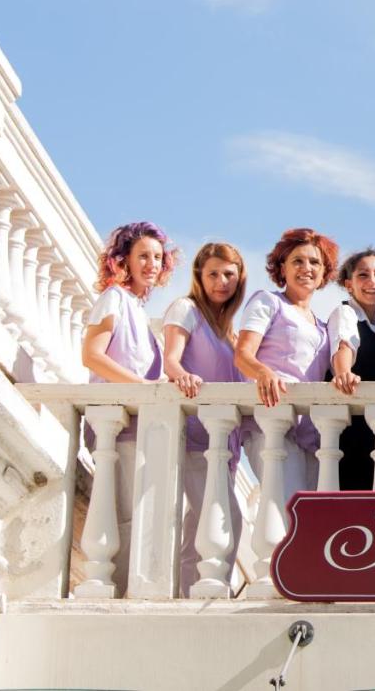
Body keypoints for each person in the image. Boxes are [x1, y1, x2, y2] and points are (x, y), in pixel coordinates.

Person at [80, 221, 178, 595]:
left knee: (139, 516)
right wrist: (143, 388)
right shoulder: (114, 299)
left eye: (157, 257)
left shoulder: (138, 309)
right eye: (143, 256)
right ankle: (116, 591)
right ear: (124, 260)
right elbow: (92, 355)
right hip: (117, 427)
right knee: (123, 515)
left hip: (140, 428)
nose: (152, 264)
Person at [162, 241, 247, 596]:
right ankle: (213, 595)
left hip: (226, 448)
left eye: (229, 274)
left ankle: (187, 596)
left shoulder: (229, 331)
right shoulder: (186, 309)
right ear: (199, 276)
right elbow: (171, 359)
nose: (221, 282)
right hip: (197, 438)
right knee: (226, 519)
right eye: (213, 274)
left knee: (198, 526)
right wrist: (183, 376)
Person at [234, 228, 339, 501]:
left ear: (324, 271)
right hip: (271, 425)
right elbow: (242, 354)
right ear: (283, 268)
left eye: (314, 262)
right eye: (297, 261)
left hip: (310, 436)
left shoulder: (323, 326)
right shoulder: (268, 302)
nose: (306, 268)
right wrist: (263, 372)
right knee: (284, 510)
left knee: (307, 518)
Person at [325, 246, 375, 490]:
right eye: (363, 275)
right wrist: (344, 372)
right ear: (348, 284)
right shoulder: (346, 313)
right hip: (351, 429)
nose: (372, 281)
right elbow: (344, 344)